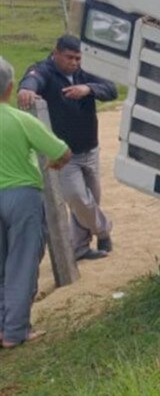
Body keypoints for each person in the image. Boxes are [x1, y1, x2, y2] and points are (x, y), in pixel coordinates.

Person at [18, 35, 117, 261]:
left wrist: (88, 89)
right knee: (77, 198)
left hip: (91, 148)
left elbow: (111, 89)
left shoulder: (85, 71)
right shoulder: (44, 70)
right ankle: (103, 230)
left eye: (78, 58)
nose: (74, 63)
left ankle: (81, 249)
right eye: (69, 57)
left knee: (90, 199)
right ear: (56, 53)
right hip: (64, 153)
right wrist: (26, 90)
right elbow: (32, 80)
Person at [1, 55, 71, 348]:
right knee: (22, 263)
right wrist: (53, 164)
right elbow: (62, 152)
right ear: (10, 86)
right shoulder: (20, 119)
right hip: (22, 196)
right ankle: (15, 331)